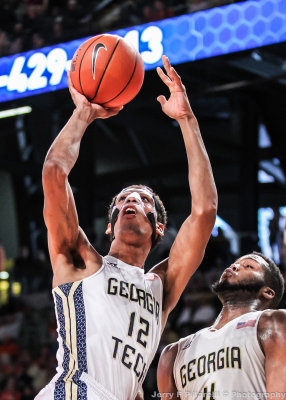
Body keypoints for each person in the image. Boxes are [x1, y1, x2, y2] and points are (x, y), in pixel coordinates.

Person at [36, 55, 217, 400]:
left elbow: (205, 210)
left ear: (159, 228)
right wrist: (83, 114)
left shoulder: (161, 286)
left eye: (144, 199)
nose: (130, 201)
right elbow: (54, 173)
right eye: (121, 200)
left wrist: (187, 119)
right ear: (110, 226)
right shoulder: (81, 261)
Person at [157, 252, 286, 399]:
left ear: (267, 292)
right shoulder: (173, 353)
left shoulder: (274, 323)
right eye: (233, 264)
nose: (235, 267)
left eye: (248, 266)